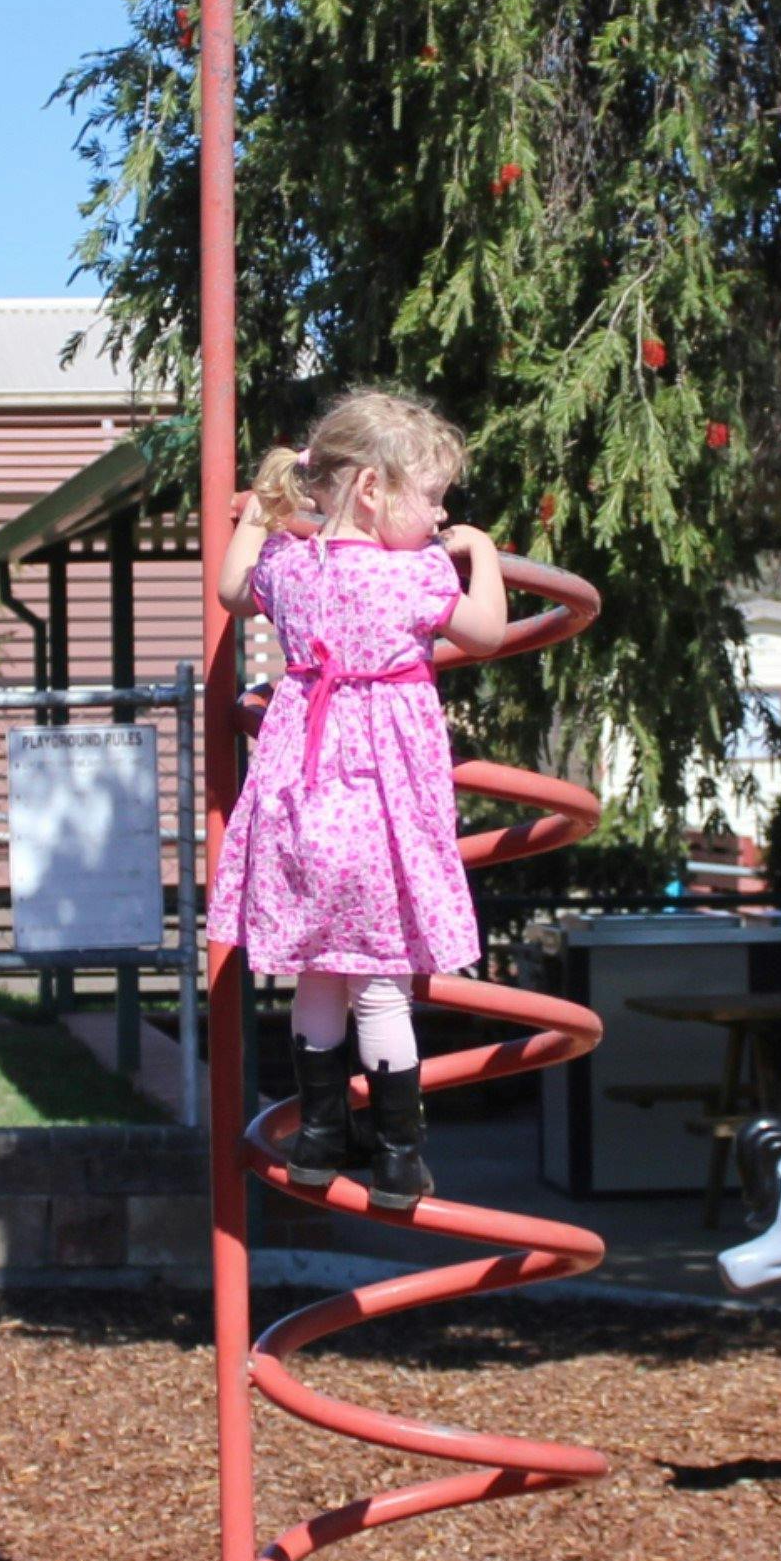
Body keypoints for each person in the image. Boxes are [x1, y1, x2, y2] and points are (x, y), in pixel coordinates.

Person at [214, 386, 518, 1209]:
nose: (442, 515)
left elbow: (233, 589)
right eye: (435, 497)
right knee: (381, 984)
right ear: (374, 490)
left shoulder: (292, 566)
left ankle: (317, 1141)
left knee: (318, 975)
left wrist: (261, 515)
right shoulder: (414, 572)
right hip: (381, 809)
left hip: (301, 802)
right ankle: (396, 1157)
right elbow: (487, 632)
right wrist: (484, 554)